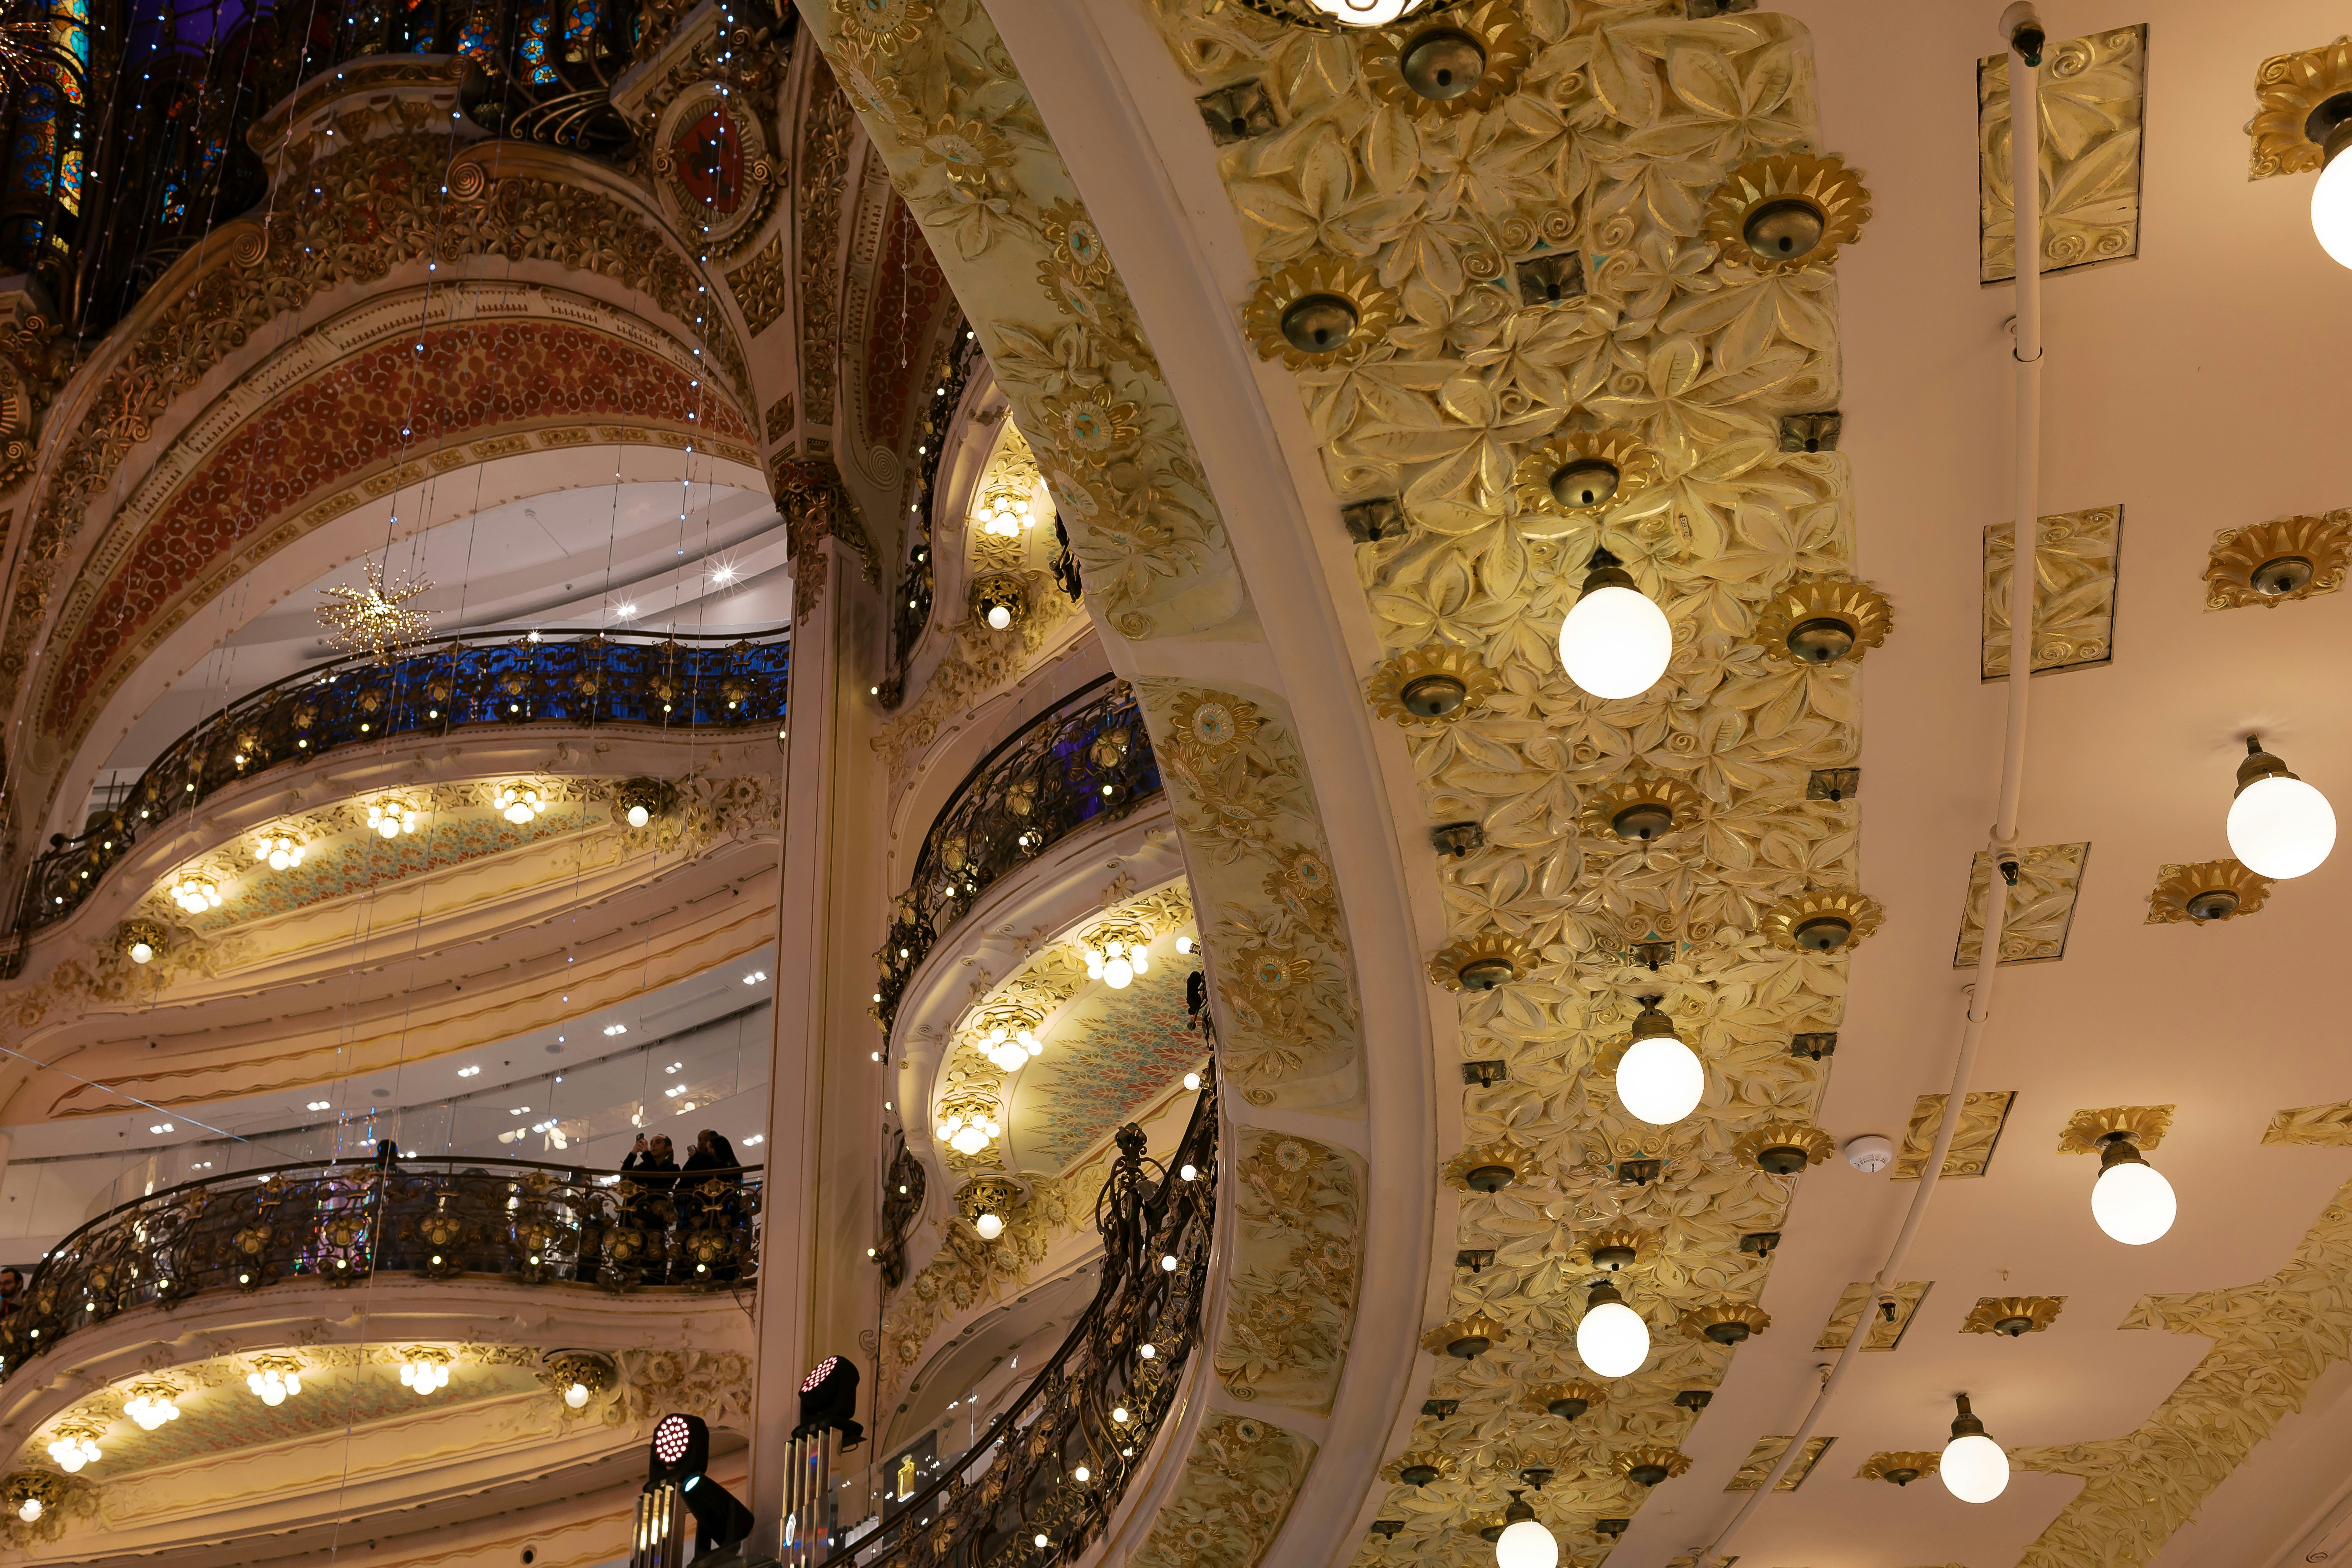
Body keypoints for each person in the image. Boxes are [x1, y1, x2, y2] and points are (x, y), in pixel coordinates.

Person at [682, 1130, 744, 1282]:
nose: (709, 1151)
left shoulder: (730, 1165)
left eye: (711, 1147)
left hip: (725, 1216)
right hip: (707, 1216)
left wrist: (699, 1157)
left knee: (724, 1250)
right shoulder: (711, 1165)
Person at [620, 1133, 679, 1281]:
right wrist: (634, 1153)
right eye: (651, 1143)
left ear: (668, 1149)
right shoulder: (641, 1167)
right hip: (632, 1218)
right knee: (630, 1257)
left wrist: (646, 1154)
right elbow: (625, 1176)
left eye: (658, 1143)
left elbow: (657, 1179)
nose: (653, 1146)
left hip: (653, 1221)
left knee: (652, 1260)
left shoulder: (672, 1168)